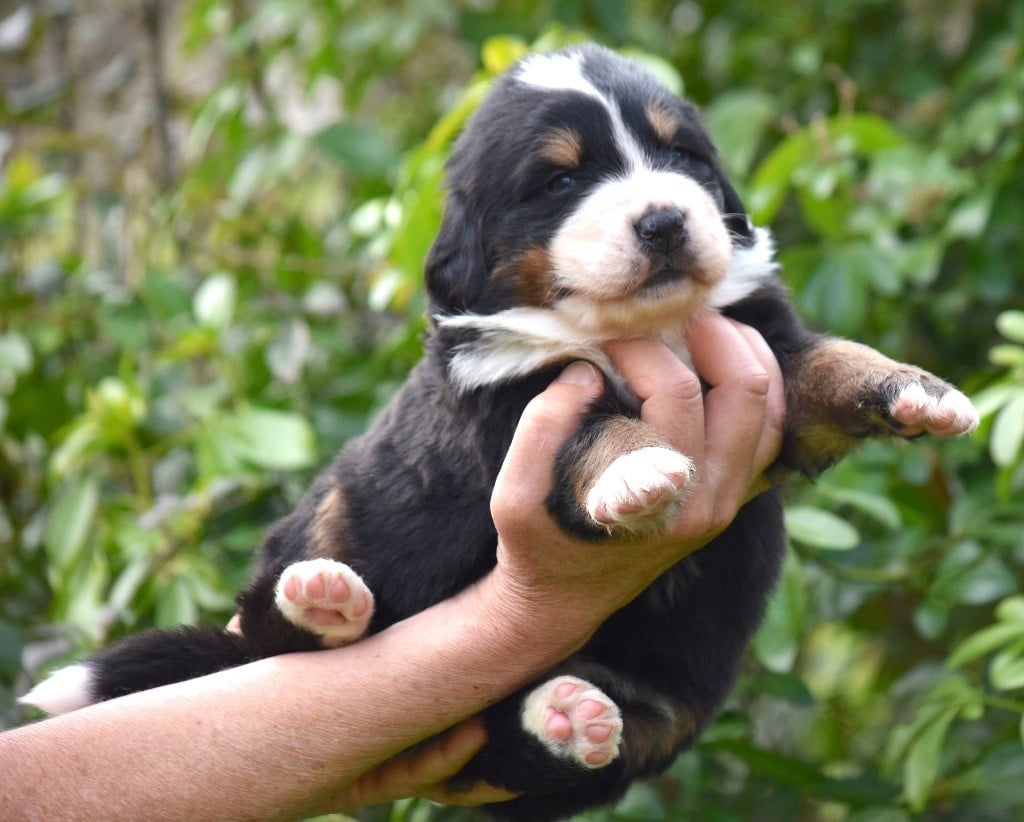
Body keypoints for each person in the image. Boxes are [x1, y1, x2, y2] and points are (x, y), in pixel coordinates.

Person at [0, 314, 784, 821]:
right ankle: (296, 631)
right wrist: (528, 613)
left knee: (563, 737)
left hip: (565, 701)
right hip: (420, 620)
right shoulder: (491, 356)